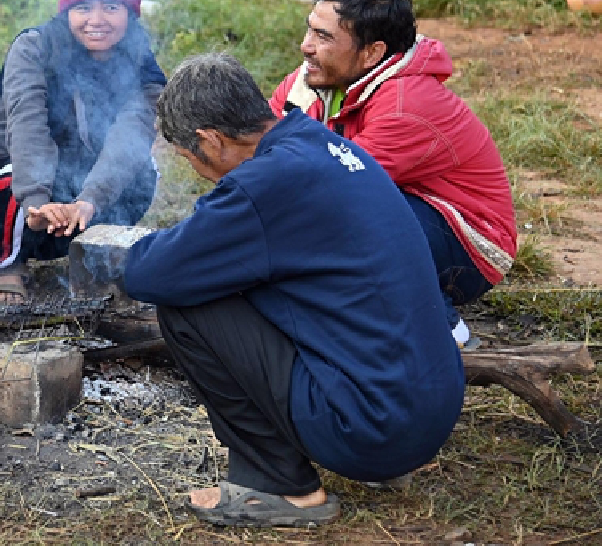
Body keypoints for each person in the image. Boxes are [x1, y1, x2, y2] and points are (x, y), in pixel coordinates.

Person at [125, 53, 465, 528]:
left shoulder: (263, 185)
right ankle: (372, 460)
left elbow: (149, 274)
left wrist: (128, 252)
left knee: (186, 308)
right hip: (427, 409)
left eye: (189, 158)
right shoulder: (316, 141)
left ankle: (279, 483)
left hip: (373, 428)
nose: (195, 169)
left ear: (211, 140)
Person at [269, 0, 517, 348]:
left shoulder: (406, 105)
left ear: (372, 52)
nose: (305, 46)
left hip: (469, 242)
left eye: (323, 37)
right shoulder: (315, 77)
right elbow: (263, 147)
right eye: (310, 30)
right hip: (399, 205)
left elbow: (335, 191)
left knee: (331, 221)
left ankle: (442, 328)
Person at [0, 0, 165, 303]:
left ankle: (93, 254)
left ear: (130, 13)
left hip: (83, 195)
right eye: (83, 6)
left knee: (141, 168)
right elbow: (27, 127)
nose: (97, 20)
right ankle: (11, 260)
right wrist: (36, 201)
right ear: (66, 10)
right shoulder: (35, 48)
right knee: (9, 178)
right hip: (18, 184)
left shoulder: (141, 61)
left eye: (112, 7)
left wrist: (89, 200)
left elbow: (131, 135)